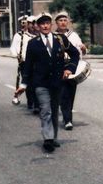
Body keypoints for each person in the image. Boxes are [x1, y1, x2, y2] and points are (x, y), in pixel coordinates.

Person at [14, 13, 80, 153]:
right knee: (45, 110)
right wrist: (23, 85)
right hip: (41, 83)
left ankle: (53, 137)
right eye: (42, 24)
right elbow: (28, 66)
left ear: (51, 25)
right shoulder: (33, 43)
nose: (45, 26)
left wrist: (69, 68)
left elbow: (75, 54)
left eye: (47, 23)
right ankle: (48, 139)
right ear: (38, 26)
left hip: (57, 82)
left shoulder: (60, 39)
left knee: (54, 110)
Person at [54, 11, 87, 130]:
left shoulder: (74, 35)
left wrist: (83, 48)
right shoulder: (53, 36)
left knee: (70, 92)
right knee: (63, 93)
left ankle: (67, 117)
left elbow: (80, 51)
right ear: (56, 23)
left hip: (72, 66)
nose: (63, 23)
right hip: (59, 66)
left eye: (65, 20)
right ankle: (67, 118)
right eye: (60, 21)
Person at [9, 15, 31, 106]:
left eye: (25, 23)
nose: (23, 25)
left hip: (34, 61)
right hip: (24, 62)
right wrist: (17, 55)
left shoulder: (33, 34)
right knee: (26, 81)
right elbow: (13, 48)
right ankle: (30, 101)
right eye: (22, 23)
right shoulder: (18, 35)